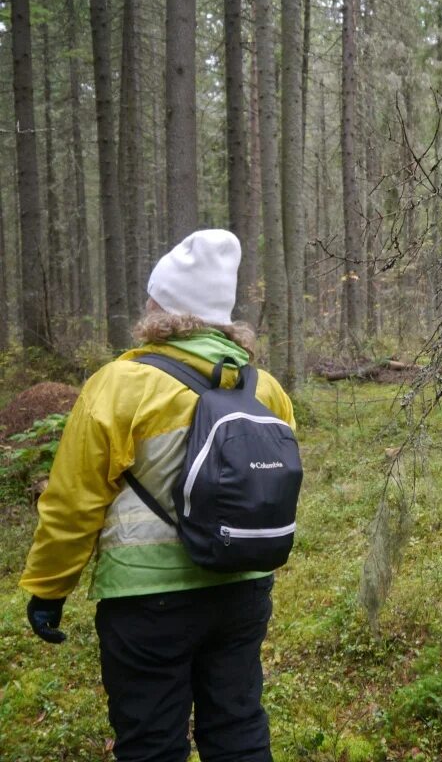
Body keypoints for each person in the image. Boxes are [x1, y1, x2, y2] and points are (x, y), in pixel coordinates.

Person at [20, 229, 295, 762]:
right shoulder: (264, 388)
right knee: (238, 730)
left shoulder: (120, 384)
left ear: (160, 307)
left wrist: (50, 588)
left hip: (146, 601)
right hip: (243, 587)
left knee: (151, 742)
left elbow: (73, 500)